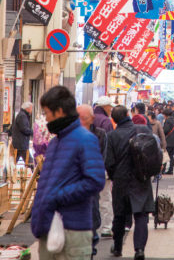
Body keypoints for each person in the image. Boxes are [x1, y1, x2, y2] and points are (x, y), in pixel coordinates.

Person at [31, 86, 105, 260]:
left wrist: (57, 197)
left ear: (60, 111)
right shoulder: (56, 142)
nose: (46, 118)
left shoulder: (85, 139)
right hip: (49, 226)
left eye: (47, 112)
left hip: (72, 229)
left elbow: (95, 181)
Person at [105, 105, 154, 260]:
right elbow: (154, 152)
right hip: (141, 179)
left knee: (119, 215)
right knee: (140, 216)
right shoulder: (143, 130)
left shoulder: (112, 136)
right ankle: (139, 249)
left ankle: (118, 247)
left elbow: (109, 162)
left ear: (113, 119)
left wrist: (114, 177)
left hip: (121, 180)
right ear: (128, 114)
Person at [77, 104, 108, 255]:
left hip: (90, 184)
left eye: (84, 118)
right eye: (78, 118)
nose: (80, 121)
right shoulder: (69, 136)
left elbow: (101, 159)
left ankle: (90, 248)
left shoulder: (100, 135)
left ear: (92, 118)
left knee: (92, 215)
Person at [163, 108, 174, 175]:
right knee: (171, 155)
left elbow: (165, 130)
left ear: (165, 114)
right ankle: (171, 169)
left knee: (166, 155)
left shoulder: (168, 121)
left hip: (169, 141)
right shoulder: (173, 120)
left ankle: (163, 169)